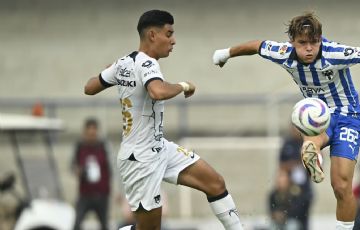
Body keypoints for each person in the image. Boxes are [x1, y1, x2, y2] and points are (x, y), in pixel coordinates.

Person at [213, 12, 360, 230]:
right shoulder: (283, 53)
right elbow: (257, 46)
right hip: (319, 116)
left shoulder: (333, 53)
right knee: (306, 120)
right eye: (302, 43)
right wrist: (226, 53)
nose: (309, 48)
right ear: (292, 42)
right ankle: (312, 151)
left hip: (348, 117)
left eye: (314, 42)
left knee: (340, 185)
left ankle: (313, 153)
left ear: (320, 40)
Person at [84, 10, 243, 230]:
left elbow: (89, 87)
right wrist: (184, 86)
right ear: (152, 35)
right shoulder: (148, 64)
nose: (173, 40)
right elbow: (157, 91)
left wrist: (114, 71)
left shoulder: (124, 62)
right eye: (169, 34)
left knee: (215, 183)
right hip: (139, 159)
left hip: (159, 148)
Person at [71, 118, 111, 230]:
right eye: (89, 133)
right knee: (77, 223)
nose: (92, 136)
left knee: (104, 224)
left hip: (102, 194)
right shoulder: (80, 147)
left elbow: (110, 169)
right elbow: (73, 166)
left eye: (94, 133)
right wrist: (79, 171)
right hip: (85, 194)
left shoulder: (103, 147)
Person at [279, 125, 313, 230]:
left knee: (304, 217)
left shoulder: (306, 143)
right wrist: (295, 165)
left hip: (305, 188)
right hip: (289, 187)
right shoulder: (287, 144)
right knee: (291, 217)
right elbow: (281, 165)